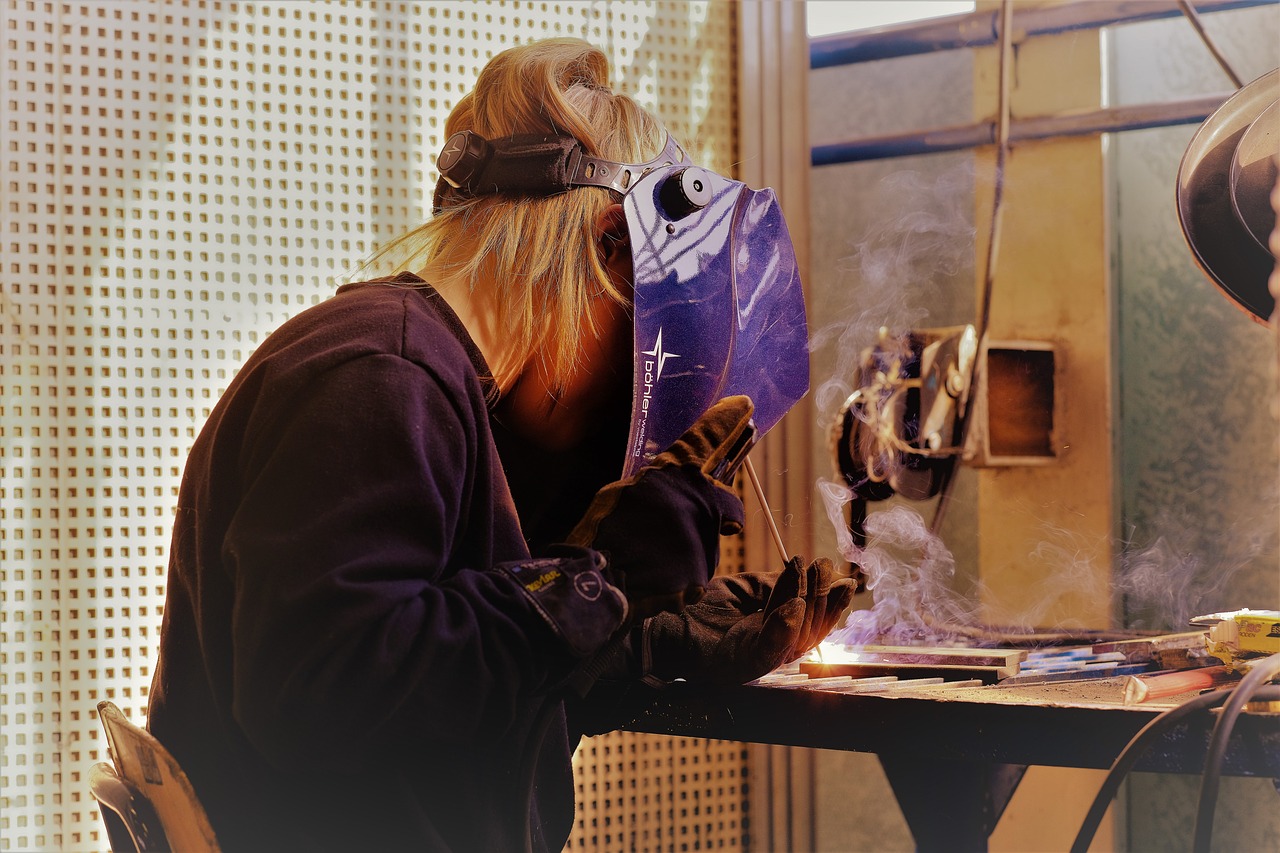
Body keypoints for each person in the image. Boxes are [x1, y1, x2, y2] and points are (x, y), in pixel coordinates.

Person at [146, 37, 855, 852]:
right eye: (633, 332)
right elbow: (326, 707)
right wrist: (600, 576)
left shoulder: (420, 376)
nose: (615, 398)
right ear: (603, 246)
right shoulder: (382, 378)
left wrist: (640, 645)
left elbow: (434, 697)